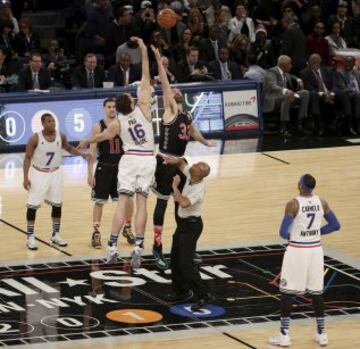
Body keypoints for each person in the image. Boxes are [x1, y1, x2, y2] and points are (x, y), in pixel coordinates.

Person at [78, 37, 155, 268]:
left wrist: (84, 141)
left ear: (118, 108)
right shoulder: (143, 108)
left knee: (122, 202)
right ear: (132, 102)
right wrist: (142, 50)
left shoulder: (117, 124)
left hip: (129, 160)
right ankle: (139, 246)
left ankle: (111, 246)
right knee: (141, 204)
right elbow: (146, 75)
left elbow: (100, 137)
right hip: (147, 159)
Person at [151, 45, 214, 269]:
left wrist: (205, 142)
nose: (174, 89)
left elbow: (193, 129)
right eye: (172, 89)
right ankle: (157, 248)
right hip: (165, 161)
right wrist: (159, 60)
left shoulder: (185, 114)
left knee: (183, 205)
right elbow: (166, 85)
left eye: (177, 89)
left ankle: (184, 246)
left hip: (181, 163)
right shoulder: (170, 111)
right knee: (162, 204)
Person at [269, 174, 341, 347]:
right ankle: (322, 334)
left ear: (300, 185)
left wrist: (295, 236)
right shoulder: (321, 202)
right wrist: (317, 233)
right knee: (317, 292)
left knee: (287, 291)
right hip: (316, 250)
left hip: (297, 251)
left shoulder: (293, 204)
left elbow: (283, 232)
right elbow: (335, 225)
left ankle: (284, 335)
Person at [23, 113, 90, 250]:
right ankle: (30, 236)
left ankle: (56, 234)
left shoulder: (61, 136)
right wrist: (25, 177)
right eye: (48, 121)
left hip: (56, 173)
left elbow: (69, 148)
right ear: (42, 124)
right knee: (32, 206)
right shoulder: (35, 138)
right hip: (38, 173)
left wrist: (82, 154)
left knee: (57, 205)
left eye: (53, 120)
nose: (52, 123)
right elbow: (27, 158)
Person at [162, 156, 212, 311]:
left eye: (197, 166)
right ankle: (181, 292)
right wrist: (172, 159)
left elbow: (183, 203)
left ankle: (204, 295)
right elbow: (181, 162)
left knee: (186, 264)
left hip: (192, 227)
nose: (194, 165)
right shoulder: (191, 174)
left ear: (200, 174)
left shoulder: (199, 189)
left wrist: (175, 186)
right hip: (183, 225)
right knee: (175, 259)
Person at [87, 98, 134, 249]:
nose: (112, 109)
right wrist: (89, 173)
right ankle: (96, 232)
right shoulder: (97, 126)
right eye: (109, 107)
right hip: (104, 167)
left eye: (114, 107)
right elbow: (92, 151)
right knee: (99, 201)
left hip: (122, 168)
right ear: (104, 108)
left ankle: (127, 227)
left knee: (128, 199)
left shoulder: (123, 123)